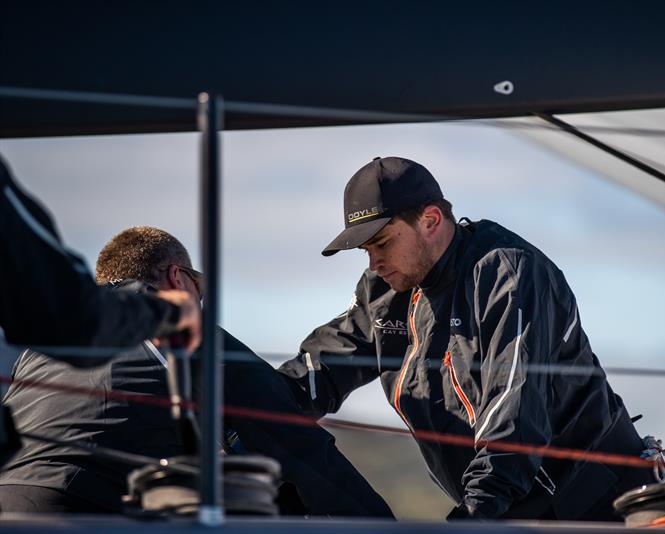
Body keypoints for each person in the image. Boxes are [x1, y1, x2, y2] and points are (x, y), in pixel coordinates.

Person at [279, 157, 655, 521]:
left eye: (382, 243)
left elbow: (514, 420)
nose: (373, 263)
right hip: (510, 509)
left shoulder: (506, 275)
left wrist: (473, 516)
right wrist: (243, 404)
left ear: (430, 220)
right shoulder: (383, 292)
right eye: (366, 251)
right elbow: (319, 372)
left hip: (598, 510)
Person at [0, 226, 392, 518]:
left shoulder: (50, 339)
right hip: (83, 510)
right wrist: (384, 527)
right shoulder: (176, 324)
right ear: (177, 279)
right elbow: (291, 441)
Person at [0, 156, 200, 353]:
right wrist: (171, 313)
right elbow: (75, 315)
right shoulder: (197, 342)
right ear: (176, 278)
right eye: (197, 291)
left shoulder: (28, 359)